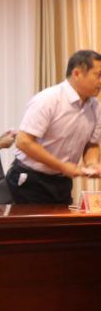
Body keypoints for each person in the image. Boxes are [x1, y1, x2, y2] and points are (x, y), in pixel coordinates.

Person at [6, 50, 101, 204]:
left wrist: (92, 164)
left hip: (62, 182)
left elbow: (92, 144)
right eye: (98, 75)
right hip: (31, 181)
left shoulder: (95, 107)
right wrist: (62, 166)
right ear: (77, 73)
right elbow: (23, 141)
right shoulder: (49, 99)